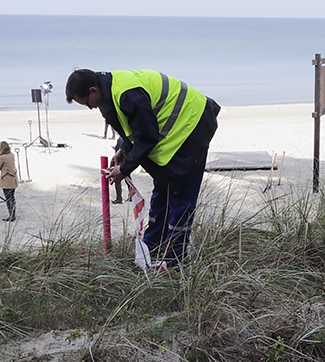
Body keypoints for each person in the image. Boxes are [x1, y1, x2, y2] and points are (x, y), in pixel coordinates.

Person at [65, 68, 220, 269]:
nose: (90, 108)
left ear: (93, 90)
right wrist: (123, 149)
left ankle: (175, 260)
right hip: (172, 130)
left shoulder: (127, 94)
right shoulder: (109, 94)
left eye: (86, 103)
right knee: (163, 187)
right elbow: (133, 128)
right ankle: (151, 248)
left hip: (194, 122)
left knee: (181, 193)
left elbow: (147, 137)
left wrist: (125, 169)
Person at [0, 140, 18, 221]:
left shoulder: (2, 157)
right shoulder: (12, 155)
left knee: (8, 198)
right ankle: (13, 214)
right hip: (13, 178)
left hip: (6, 179)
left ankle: (11, 216)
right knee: (12, 197)